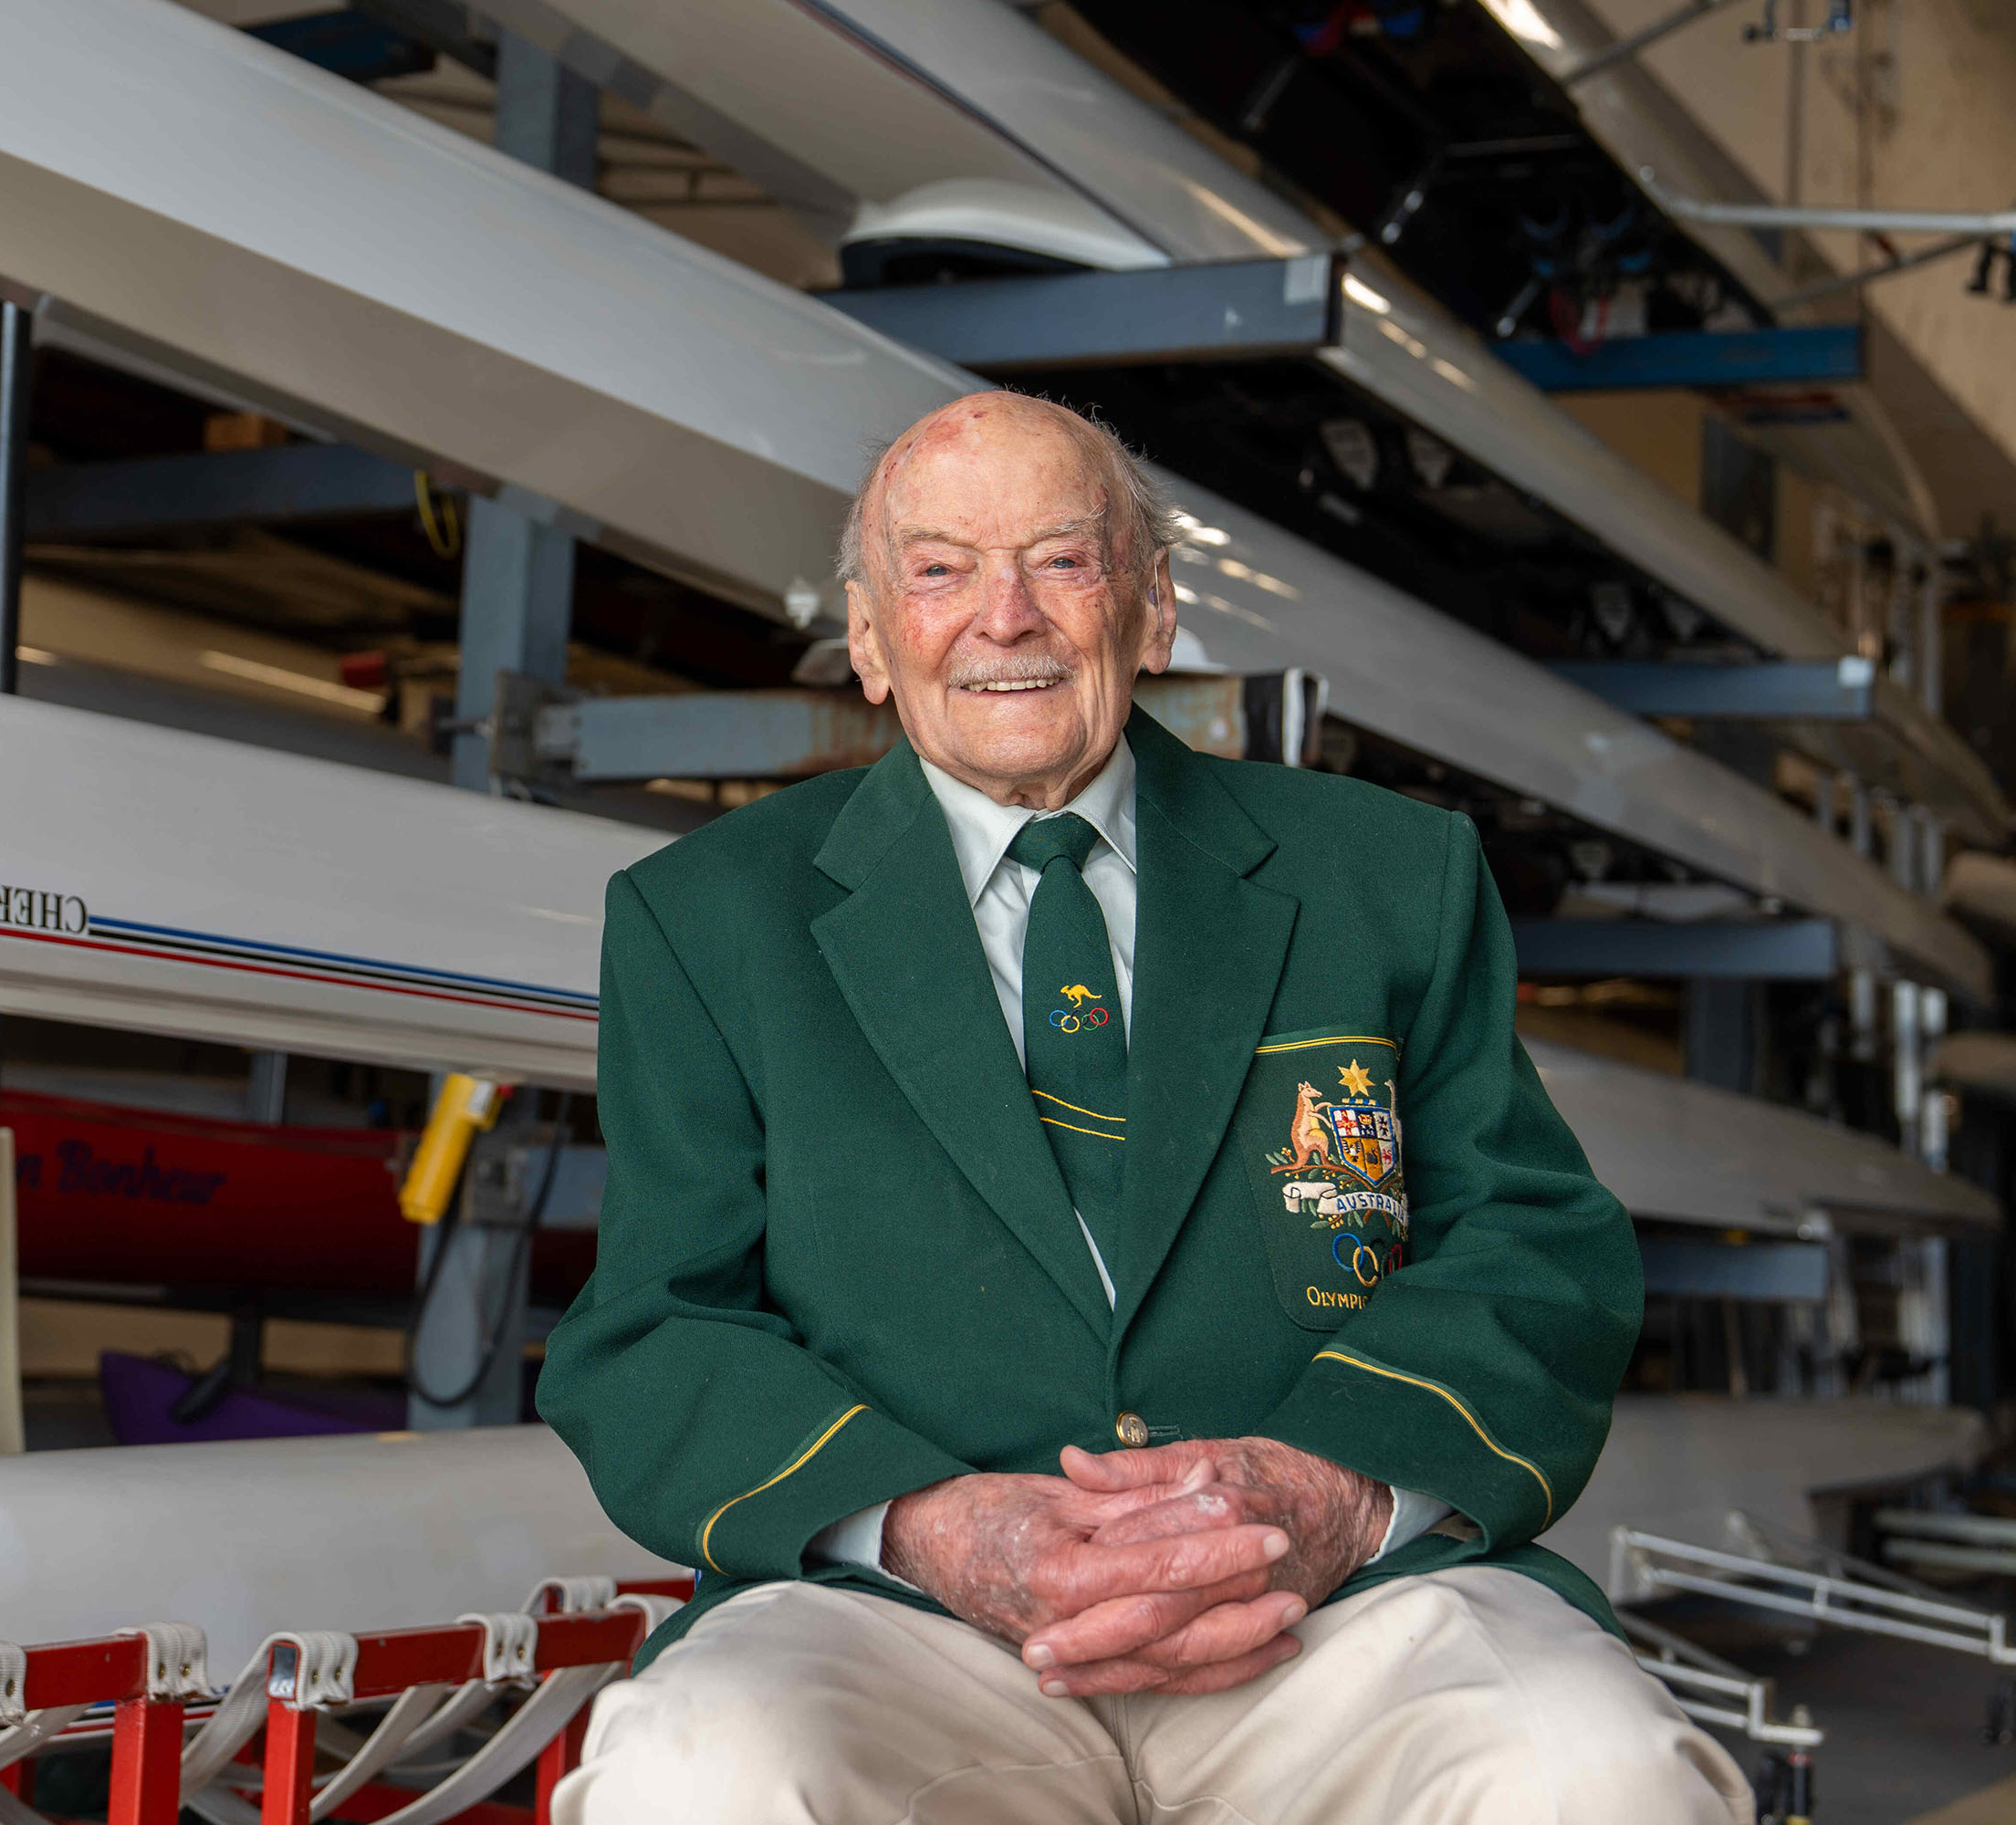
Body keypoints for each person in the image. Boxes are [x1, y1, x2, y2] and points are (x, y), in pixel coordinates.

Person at [536, 392, 1751, 1822]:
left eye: (1064, 559)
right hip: (910, 1622)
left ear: (1153, 610)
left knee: (1597, 1770)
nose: (1005, 618)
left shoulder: (1385, 872)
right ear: (869, 640)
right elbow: (656, 1323)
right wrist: (936, 1531)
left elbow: (1538, 1247)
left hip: (1337, 1616)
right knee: (698, 1771)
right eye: (937, 572)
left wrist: (1326, 1494)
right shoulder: (706, 917)